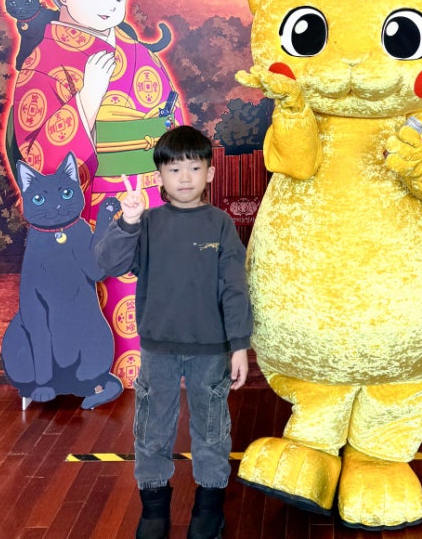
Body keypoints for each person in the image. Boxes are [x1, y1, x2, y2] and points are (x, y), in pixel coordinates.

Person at [10, 0, 184, 388]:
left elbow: (170, 119)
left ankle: (160, 368)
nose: (110, 6)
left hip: (153, 192)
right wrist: (88, 98)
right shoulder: (45, 60)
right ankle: (98, 372)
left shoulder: (137, 53)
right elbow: (38, 150)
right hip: (95, 201)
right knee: (104, 287)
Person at [94, 125, 252, 539]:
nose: (185, 177)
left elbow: (235, 288)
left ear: (209, 174)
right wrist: (128, 221)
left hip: (211, 351)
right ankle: (153, 509)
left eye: (194, 168)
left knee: (212, 431)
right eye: (174, 169)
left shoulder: (220, 225)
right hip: (158, 351)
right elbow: (108, 263)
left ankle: (208, 508)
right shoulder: (146, 223)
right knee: (152, 430)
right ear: (159, 176)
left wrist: (239, 346)